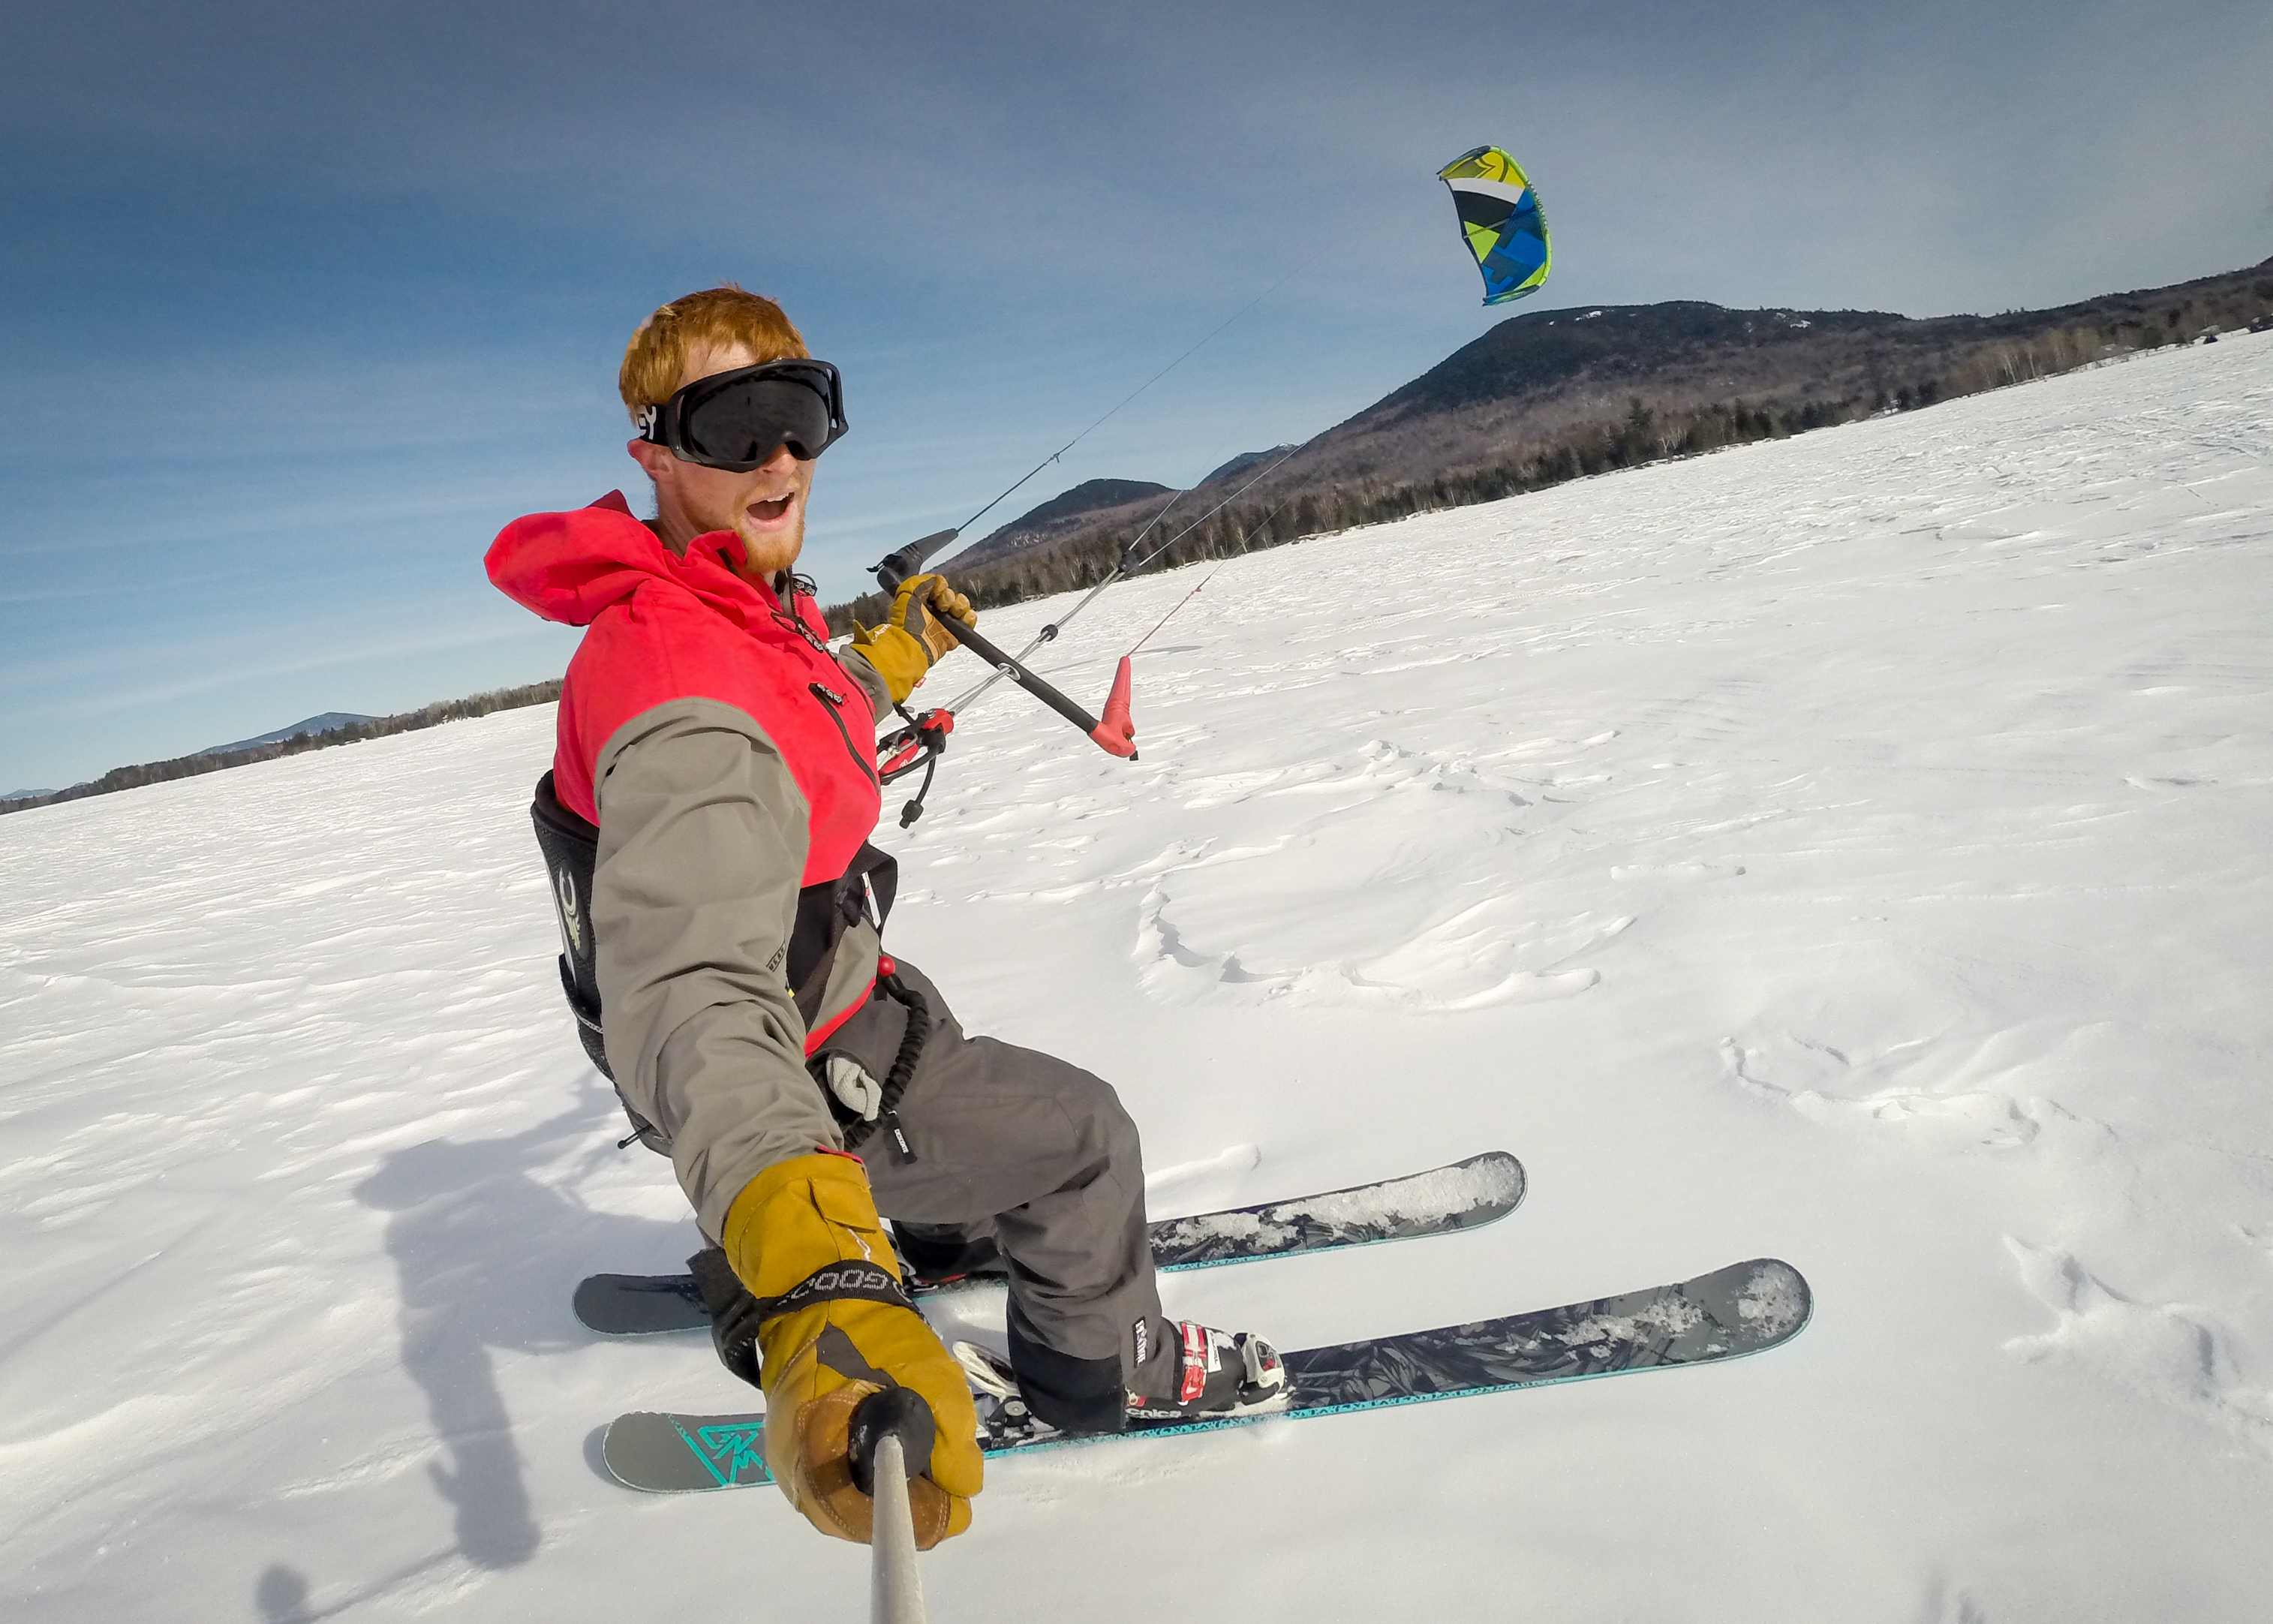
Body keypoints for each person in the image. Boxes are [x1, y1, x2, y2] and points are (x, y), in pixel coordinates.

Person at [484, 286, 1282, 1549]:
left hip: (837, 996)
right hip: (785, 1059)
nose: (780, 455)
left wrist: (892, 660)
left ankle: (936, 1219)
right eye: (732, 423)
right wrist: (815, 1280)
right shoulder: (686, 686)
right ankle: (1100, 1369)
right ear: (657, 453)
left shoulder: (726, 608)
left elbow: (806, 722)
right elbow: (694, 988)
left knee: (927, 1019)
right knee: (1081, 1134)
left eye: (800, 412)